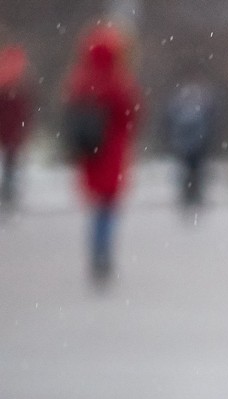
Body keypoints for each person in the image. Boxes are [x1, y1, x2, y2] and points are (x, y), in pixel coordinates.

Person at [63, 23, 140, 284]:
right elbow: (131, 112)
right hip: (113, 149)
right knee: (108, 205)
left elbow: (71, 111)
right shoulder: (118, 80)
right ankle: (102, 250)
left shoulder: (81, 78)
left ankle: (96, 249)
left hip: (91, 151)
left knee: (97, 204)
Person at [163, 74, 218, 213]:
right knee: (196, 171)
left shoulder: (178, 103)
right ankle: (195, 196)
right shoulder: (202, 101)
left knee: (187, 171)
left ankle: (187, 197)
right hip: (197, 144)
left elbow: (169, 121)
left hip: (184, 144)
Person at [0, 43, 31, 213]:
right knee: (11, 163)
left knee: (9, 163)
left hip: (8, 131)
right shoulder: (19, 85)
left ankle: (7, 192)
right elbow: (23, 112)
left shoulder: (4, 82)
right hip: (13, 132)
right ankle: (9, 193)